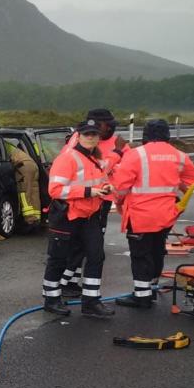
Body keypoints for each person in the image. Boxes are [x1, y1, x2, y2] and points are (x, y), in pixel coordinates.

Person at [111, 119, 194, 308]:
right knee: (157, 251)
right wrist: (178, 188)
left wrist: (118, 202)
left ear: (145, 136)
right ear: (168, 135)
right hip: (166, 215)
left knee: (140, 254)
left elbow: (121, 189)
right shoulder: (179, 156)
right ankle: (152, 288)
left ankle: (142, 296)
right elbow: (192, 182)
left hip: (140, 215)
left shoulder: (135, 155)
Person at [41, 123, 115, 317]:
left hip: (89, 216)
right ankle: (51, 298)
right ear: (79, 136)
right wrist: (88, 192)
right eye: (87, 134)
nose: (91, 138)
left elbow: (101, 180)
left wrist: (106, 187)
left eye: (94, 135)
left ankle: (91, 301)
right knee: (58, 259)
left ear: (99, 138)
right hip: (67, 216)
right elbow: (55, 190)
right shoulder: (67, 158)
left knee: (96, 256)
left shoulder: (96, 159)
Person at [60, 108, 127, 293]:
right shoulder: (80, 142)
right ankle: (66, 282)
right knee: (82, 246)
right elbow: (101, 166)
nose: (109, 128)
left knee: (88, 248)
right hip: (81, 200)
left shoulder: (109, 142)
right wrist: (117, 154)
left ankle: (72, 283)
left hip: (98, 200)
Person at [3, 139, 42, 226]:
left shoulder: (2, 146)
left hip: (23, 166)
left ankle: (29, 219)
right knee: (34, 192)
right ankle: (37, 217)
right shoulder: (11, 145)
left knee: (24, 192)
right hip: (33, 165)